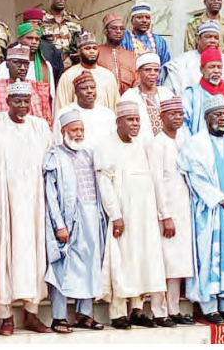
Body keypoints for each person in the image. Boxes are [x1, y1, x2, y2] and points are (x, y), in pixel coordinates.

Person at [0, 81, 53, 336]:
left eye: (26, 100)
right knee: (5, 252)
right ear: (7, 101)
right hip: (5, 199)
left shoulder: (40, 127)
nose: (22, 105)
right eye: (17, 100)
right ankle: (5, 316)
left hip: (34, 200)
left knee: (34, 254)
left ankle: (32, 313)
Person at [95, 101, 171, 329]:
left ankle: (137, 309)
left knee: (143, 258)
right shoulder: (106, 145)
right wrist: (115, 214)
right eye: (130, 120)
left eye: (137, 119)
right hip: (123, 215)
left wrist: (161, 212)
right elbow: (105, 184)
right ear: (118, 122)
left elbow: (156, 177)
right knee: (123, 260)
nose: (135, 124)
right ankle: (118, 312)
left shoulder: (144, 144)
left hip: (145, 214)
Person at [179, 95, 224, 324]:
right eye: (218, 115)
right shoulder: (196, 143)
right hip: (210, 212)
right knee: (210, 256)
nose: (223, 119)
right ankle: (210, 307)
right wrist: (222, 200)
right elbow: (196, 177)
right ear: (206, 117)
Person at [44, 111, 106, 333]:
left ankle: (84, 314)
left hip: (91, 218)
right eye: (74, 130)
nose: (78, 134)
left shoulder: (89, 154)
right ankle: (58, 317)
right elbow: (50, 195)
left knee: (90, 265)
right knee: (62, 266)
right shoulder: (54, 156)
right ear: (63, 132)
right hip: (68, 221)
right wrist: (59, 224)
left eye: (81, 130)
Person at [148, 97, 195, 325]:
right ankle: (159, 311)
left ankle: (174, 309)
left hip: (184, 209)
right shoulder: (157, 144)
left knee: (177, 263)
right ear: (161, 117)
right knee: (163, 263)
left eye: (180, 113)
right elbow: (156, 182)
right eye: (172, 113)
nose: (177, 117)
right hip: (165, 212)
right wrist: (164, 215)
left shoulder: (185, 140)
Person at [0, 44, 52, 125]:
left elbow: (47, 123)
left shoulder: (40, 89)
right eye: (17, 63)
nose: (23, 68)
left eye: (26, 64)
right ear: (7, 64)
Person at [182, 47, 224, 136]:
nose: (216, 71)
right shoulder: (191, 95)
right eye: (211, 67)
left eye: (219, 67)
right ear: (202, 69)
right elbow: (184, 126)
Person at [51, 70, 116, 152]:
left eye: (92, 88)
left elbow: (114, 143)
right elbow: (58, 143)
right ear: (76, 92)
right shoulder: (65, 113)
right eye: (84, 88)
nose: (89, 91)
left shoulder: (108, 114)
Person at [55, 31, 119, 112]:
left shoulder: (108, 75)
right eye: (87, 48)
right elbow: (61, 107)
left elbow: (116, 106)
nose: (92, 51)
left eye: (94, 48)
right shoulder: (68, 76)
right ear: (79, 51)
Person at [161, 20, 224, 96]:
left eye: (216, 38)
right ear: (198, 40)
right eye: (208, 37)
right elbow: (167, 92)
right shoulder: (181, 62)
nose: (213, 41)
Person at [120, 53, 174, 139]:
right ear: (138, 73)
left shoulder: (166, 94)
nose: (152, 73)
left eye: (156, 70)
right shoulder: (129, 96)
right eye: (148, 70)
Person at [0, 23, 55, 97]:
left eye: (37, 39)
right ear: (19, 40)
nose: (34, 42)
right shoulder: (6, 65)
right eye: (29, 38)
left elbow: (51, 95)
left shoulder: (46, 65)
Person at [41, 0, 83, 66]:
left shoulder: (74, 21)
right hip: (48, 67)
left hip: (72, 66)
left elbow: (81, 43)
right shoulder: (40, 19)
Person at [98, 12, 137, 95]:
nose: (118, 31)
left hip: (127, 100)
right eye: (114, 28)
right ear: (105, 31)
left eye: (121, 28)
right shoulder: (96, 52)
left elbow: (137, 80)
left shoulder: (131, 55)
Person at [22, 7, 64, 83]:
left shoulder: (50, 48)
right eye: (32, 23)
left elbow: (58, 73)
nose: (35, 26)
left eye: (38, 23)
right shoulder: (13, 48)